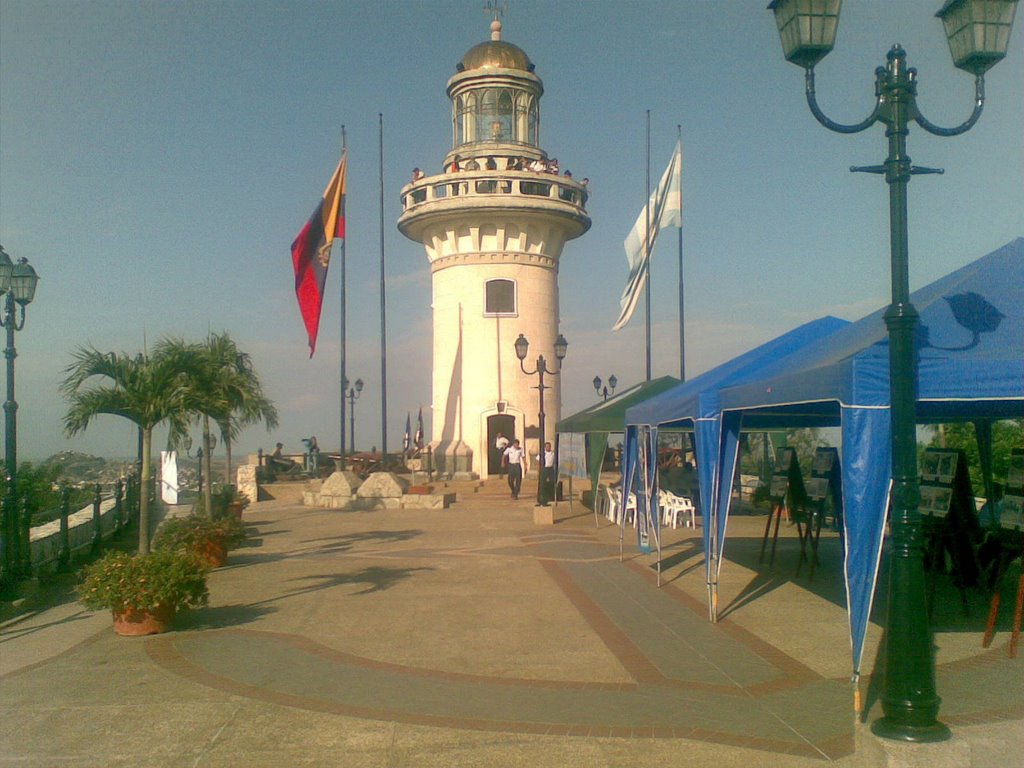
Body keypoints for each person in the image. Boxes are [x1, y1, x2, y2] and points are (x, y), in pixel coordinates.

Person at [540, 441, 556, 506]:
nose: (548, 448)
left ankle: (550, 495)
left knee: (552, 482)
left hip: (551, 468)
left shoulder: (553, 453)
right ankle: (544, 497)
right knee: (544, 483)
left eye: (549, 446)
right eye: (546, 447)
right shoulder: (543, 454)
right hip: (545, 469)